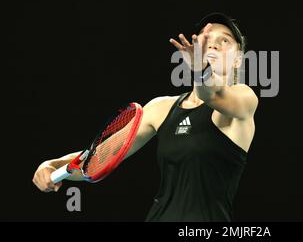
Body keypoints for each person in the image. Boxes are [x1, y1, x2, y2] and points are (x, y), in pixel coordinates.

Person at [32, 12, 258, 221]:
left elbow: (213, 95)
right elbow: (98, 157)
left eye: (225, 40)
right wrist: (52, 165)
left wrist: (201, 71)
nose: (214, 44)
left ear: (238, 60)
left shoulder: (245, 99)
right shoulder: (161, 108)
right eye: (206, 39)